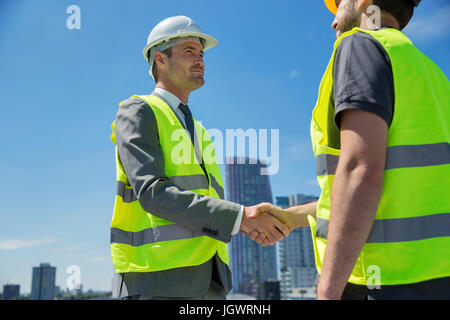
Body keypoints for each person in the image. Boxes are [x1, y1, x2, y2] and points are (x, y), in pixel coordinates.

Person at [249, 0, 450, 299]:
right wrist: (292, 217)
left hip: (381, 281)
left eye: (339, 4)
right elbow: (393, 191)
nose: (333, 22)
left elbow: (360, 172)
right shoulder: (432, 74)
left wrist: (328, 290)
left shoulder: (362, 43)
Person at [109, 16, 289, 300]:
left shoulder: (200, 131)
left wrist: (248, 220)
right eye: (189, 51)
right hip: (158, 278)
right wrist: (241, 217)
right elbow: (151, 192)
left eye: (201, 54)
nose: (200, 60)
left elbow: (204, 200)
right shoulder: (138, 111)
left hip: (212, 277)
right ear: (161, 60)